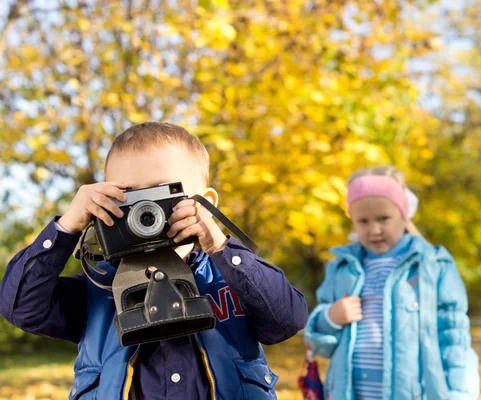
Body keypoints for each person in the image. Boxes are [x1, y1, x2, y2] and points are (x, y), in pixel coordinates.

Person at [0, 121, 308, 400]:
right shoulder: (97, 289)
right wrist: (67, 227)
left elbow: (287, 320)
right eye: (128, 196)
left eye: (163, 193)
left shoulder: (233, 278)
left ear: (207, 203)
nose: (145, 212)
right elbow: (20, 308)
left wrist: (221, 246)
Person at [304, 166, 479, 400]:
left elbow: (454, 338)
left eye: (383, 218)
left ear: (404, 214)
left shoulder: (432, 264)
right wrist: (330, 317)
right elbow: (322, 345)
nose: (374, 230)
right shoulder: (342, 267)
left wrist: (459, 395)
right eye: (363, 221)